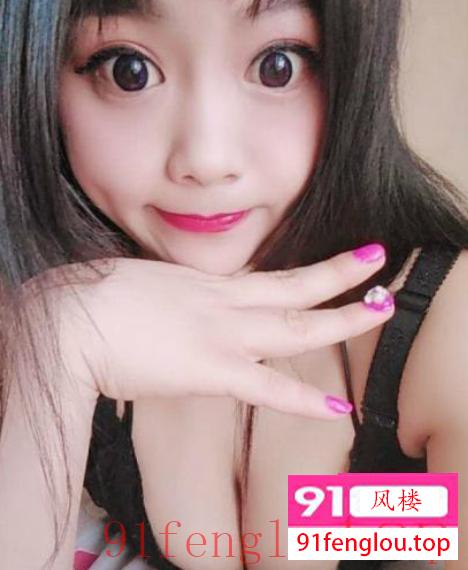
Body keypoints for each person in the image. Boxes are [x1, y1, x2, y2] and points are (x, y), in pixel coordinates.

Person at [0, 0, 467, 569]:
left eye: (277, 66)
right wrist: (54, 349)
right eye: (128, 70)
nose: (206, 160)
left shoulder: (447, 325)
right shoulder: (43, 311)